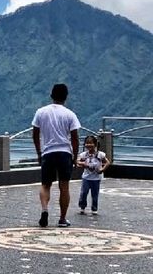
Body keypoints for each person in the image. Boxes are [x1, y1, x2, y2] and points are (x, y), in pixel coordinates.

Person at [32, 83, 80, 227]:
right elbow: (75, 138)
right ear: (66, 97)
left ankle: (45, 210)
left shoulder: (41, 112)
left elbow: (35, 134)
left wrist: (39, 152)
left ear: (51, 95)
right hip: (65, 153)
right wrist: (74, 156)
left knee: (45, 185)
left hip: (48, 152)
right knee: (64, 187)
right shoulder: (70, 114)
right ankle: (62, 219)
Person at [76, 134, 110, 215]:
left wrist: (102, 169)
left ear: (95, 144)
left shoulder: (100, 154)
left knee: (95, 194)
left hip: (96, 178)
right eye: (87, 143)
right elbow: (77, 161)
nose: (88, 145)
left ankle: (94, 208)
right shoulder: (84, 154)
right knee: (84, 193)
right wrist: (83, 163)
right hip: (86, 177)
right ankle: (82, 207)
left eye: (91, 143)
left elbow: (107, 162)